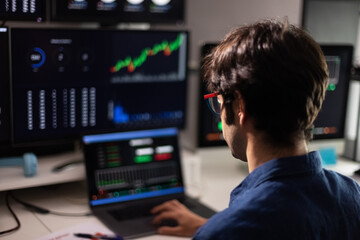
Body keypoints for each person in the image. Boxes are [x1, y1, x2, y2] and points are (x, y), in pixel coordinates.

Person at [150, 18, 360, 239]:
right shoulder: (352, 196)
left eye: (219, 101)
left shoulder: (227, 232)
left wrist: (217, 230)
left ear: (240, 105)